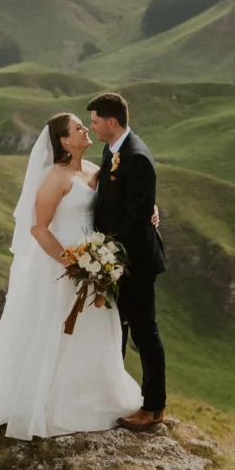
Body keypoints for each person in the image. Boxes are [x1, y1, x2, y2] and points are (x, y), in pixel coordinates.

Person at [0, 111, 145, 468]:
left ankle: (97, 397)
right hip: (63, 267)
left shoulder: (94, 169)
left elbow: (124, 198)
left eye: (84, 125)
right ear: (63, 141)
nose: (84, 129)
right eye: (77, 127)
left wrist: (148, 210)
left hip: (94, 264)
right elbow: (39, 229)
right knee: (53, 332)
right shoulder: (55, 177)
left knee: (94, 331)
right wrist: (74, 263)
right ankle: (50, 404)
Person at [86, 91, 166, 430]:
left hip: (135, 262)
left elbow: (136, 221)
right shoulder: (112, 150)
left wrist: (108, 257)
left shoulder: (137, 158)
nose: (92, 128)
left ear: (112, 122)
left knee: (144, 332)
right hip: (117, 260)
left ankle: (153, 407)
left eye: (95, 122)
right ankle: (114, 396)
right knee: (116, 329)